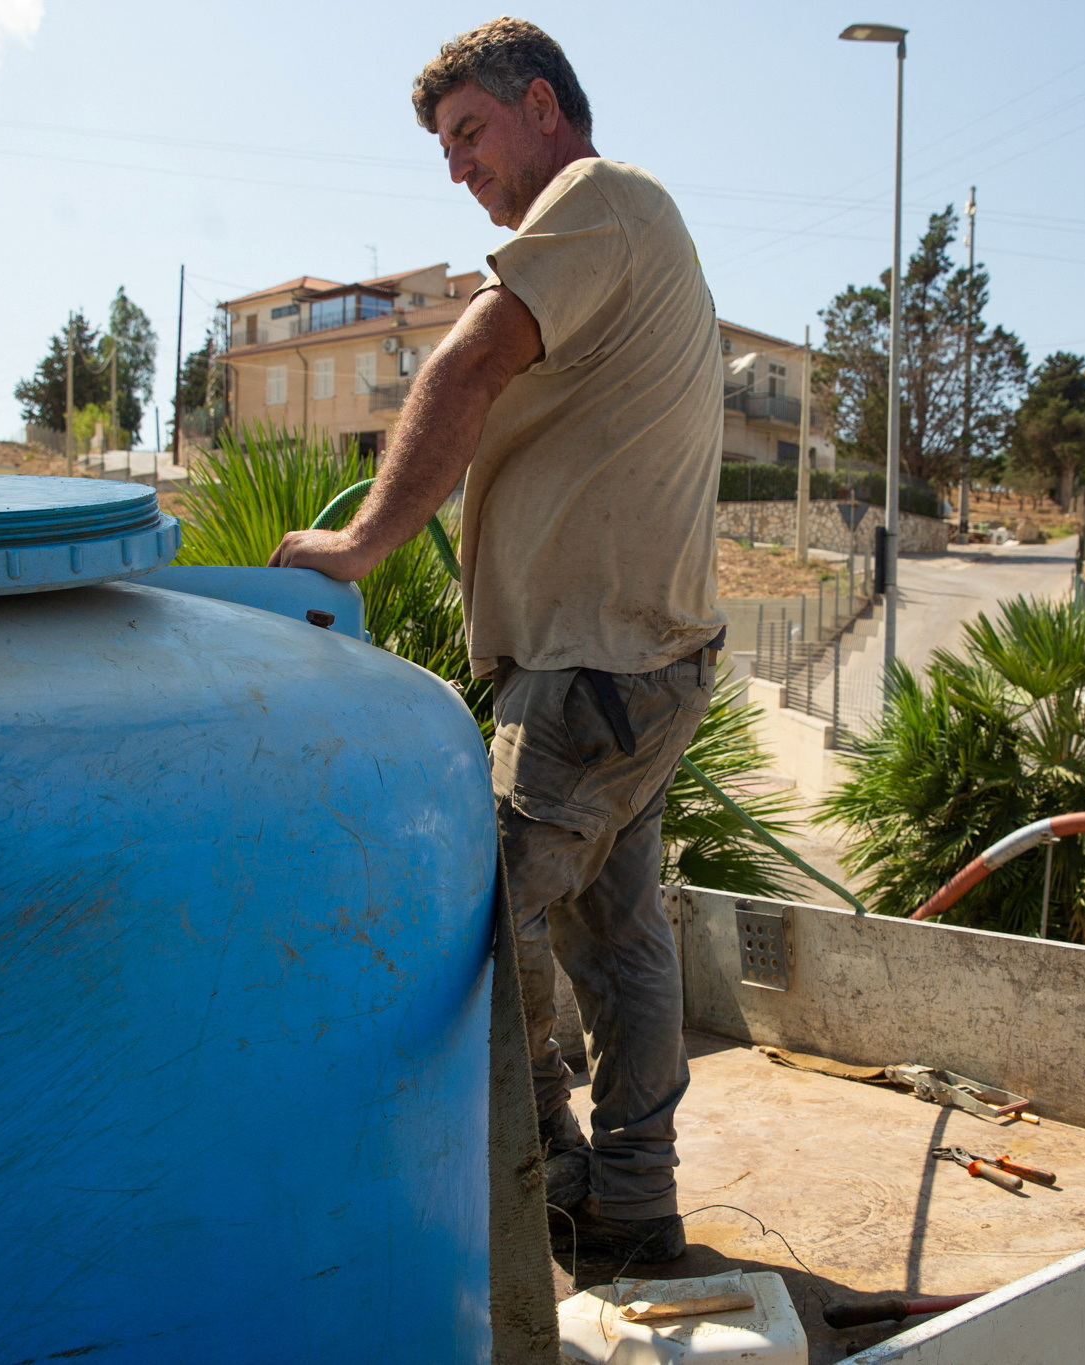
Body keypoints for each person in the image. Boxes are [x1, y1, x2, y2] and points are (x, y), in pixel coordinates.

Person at [270, 18, 724, 1268]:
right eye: (442, 148)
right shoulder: (618, 227)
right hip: (625, 657)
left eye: (466, 133)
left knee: (477, 912)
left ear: (540, 106)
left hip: (595, 666)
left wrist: (361, 545)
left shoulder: (597, 196)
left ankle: (551, 1174)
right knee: (617, 938)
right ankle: (632, 1201)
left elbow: (467, 364)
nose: (455, 166)